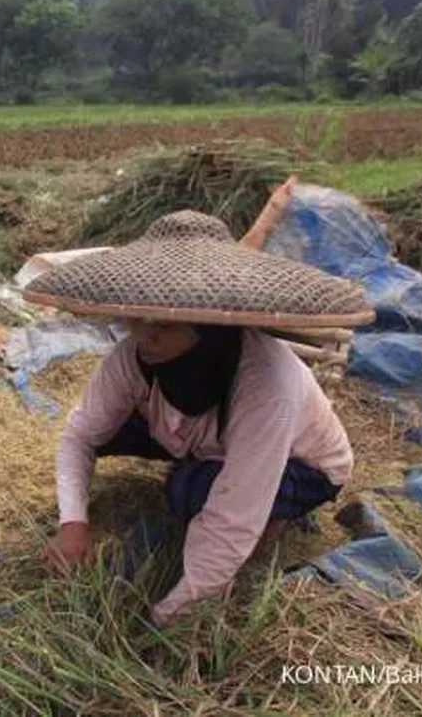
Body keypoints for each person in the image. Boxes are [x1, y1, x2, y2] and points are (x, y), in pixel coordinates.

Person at [22, 208, 375, 626]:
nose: (145, 334)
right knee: (107, 427)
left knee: (188, 493)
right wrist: (73, 524)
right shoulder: (133, 357)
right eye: (137, 317)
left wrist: (172, 613)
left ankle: (277, 518)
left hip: (303, 464)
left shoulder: (265, 383)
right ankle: (206, 466)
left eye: (165, 325)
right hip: (201, 436)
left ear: (207, 325)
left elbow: (231, 522)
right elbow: (79, 435)